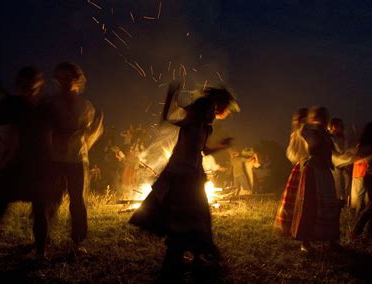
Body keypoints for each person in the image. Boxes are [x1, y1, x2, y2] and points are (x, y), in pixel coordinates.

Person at [129, 81, 239, 279]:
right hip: (178, 177)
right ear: (201, 111)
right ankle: (175, 260)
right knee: (182, 219)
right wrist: (170, 95)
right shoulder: (190, 124)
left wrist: (222, 146)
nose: (214, 115)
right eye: (212, 111)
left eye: (215, 111)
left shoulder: (206, 129)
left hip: (194, 178)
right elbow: (166, 118)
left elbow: (203, 150)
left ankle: (196, 257)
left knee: (200, 218)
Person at [0, 67, 55, 257]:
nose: (29, 84)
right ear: (19, 84)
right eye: (25, 81)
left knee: (40, 209)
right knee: (2, 205)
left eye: (33, 80)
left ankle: (41, 252)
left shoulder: (47, 105)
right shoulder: (13, 104)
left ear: (40, 82)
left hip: (42, 163)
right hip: (17, 162)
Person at [45, 62, 103, 251]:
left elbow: (86, 135)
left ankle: (78, 240)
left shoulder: (86, 106)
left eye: (67, 78)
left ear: (77, 79)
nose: (63, 82)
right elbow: (47, 128)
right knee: (52, 199)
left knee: (78, 201)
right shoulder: (51, 103)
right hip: (55, 159)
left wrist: (94, 132)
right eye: (60, 78)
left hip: (77, 159)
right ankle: (43, 236)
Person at [291, 107, 340, 252]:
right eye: (321, 116)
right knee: (310, 205)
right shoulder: (308, 131)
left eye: (325, 117)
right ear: (314, 118)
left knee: (329, 205)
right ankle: (305, 242)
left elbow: (335, 154)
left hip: (325, 171)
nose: (324, 120)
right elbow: (311, 144)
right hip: (313, 171)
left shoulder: (325, 134)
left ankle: (329, 238)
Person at [274, 108, 308, 236]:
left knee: (301, 198)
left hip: (304, 167)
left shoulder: (304, 133)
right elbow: (292, 154)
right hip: (302, 167)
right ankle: (293, 227)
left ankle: (298, 227)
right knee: (298, 198)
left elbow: (291, 154)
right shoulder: (297, 134)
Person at [350, 122, 372, 239]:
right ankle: (357, 228)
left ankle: (369, 231)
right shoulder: (366, 147)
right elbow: (358, 159)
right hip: (371, 177)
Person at [328, 118, 351, 204]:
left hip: (344, 163)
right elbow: (337, 151)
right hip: (336, 164)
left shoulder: (342, 137)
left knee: (346, 183)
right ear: (334, 126)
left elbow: (345, 149)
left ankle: (345, 203)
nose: (342, 128)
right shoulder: (329, 137)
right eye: (340, 126)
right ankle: (338, 202)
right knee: (337, 184)